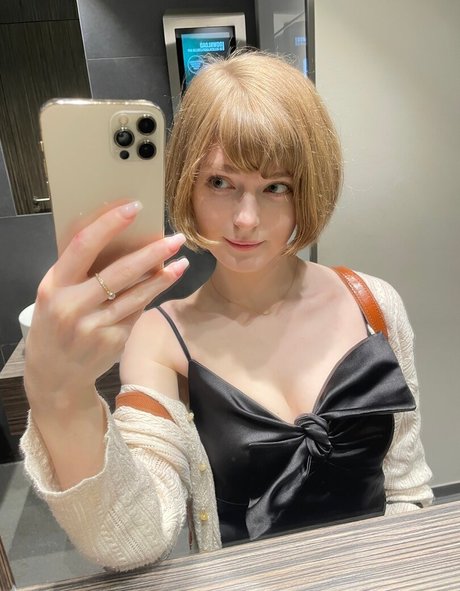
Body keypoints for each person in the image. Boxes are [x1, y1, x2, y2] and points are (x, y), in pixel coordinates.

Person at [20, 50, 433, 572]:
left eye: (275, 187)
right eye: (220, 182)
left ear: (308, 188)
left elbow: (407, 488)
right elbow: (133, 540)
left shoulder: (372, 304)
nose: (245, 219)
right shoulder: (162, 339)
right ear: (187, 185)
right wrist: (60, 397)